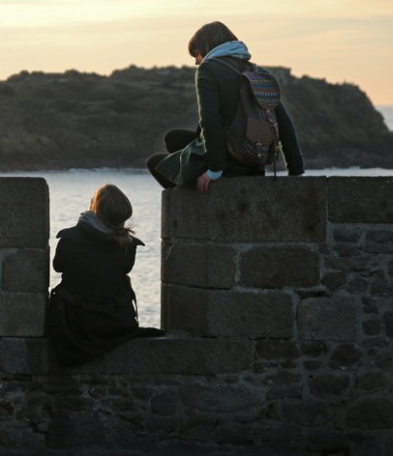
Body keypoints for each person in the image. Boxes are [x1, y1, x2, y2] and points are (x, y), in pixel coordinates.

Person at [147, 21, 304, 192]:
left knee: (155, 163)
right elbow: (283, 123)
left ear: (206, 48)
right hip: (253, 158)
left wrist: (215, 170)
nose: (196, 63)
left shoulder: (209, 69)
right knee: (173, 138)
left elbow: (210, 121)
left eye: (197, 55)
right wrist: (295, 171)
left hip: (229, 160)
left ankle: (198, 199)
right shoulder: (257, 71)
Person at [45, 184, 163, 366]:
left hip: (75, 323)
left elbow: (58, 266)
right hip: (113, 324)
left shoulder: (69, 239)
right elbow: (125, 269)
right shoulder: (128, 246)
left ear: (95, 208)